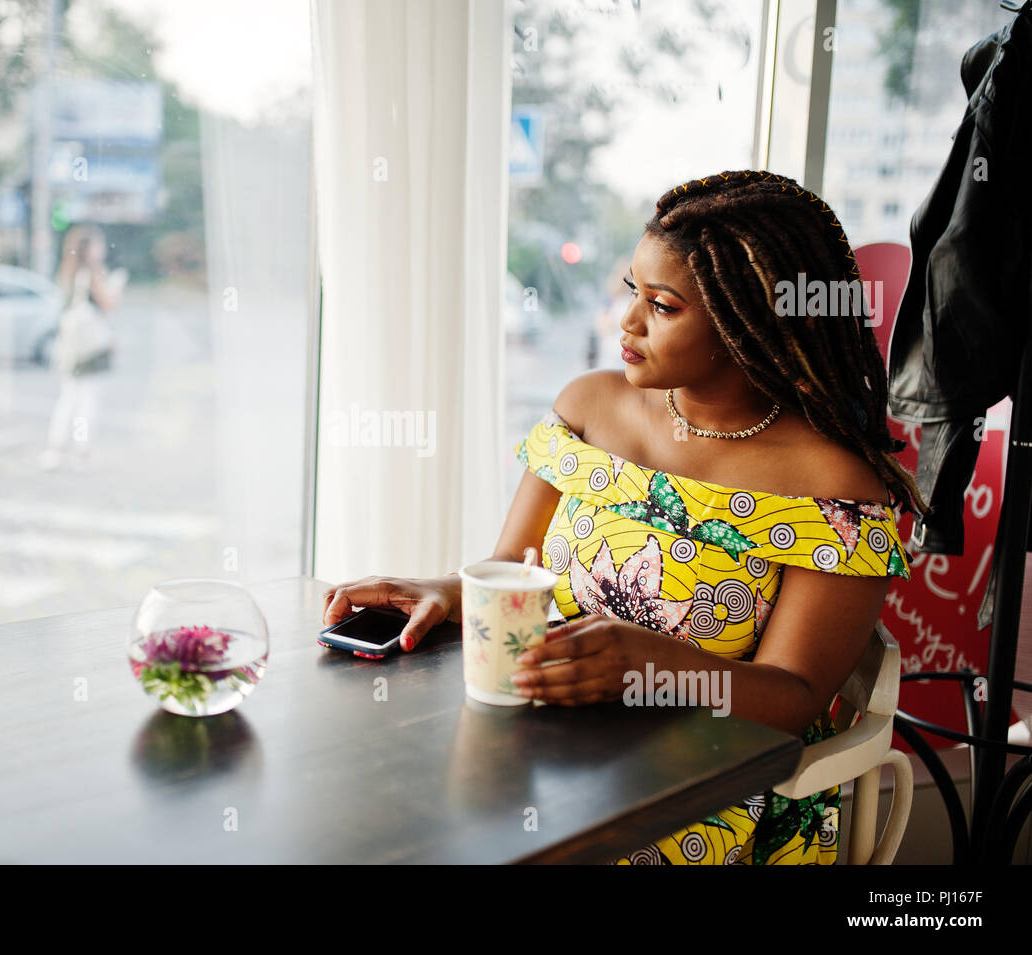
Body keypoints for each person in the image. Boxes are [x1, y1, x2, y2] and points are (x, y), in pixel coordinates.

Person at [321, 169, 930, 865]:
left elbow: (792, 699)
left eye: (663, 306)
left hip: (708, 785)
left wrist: (652, 665)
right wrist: (442, 591)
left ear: (751, 321)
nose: (629, 321)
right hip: (550, 741)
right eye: (630, 292)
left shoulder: (834, 486)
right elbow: (515, 573)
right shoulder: (589, 408)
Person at [39, 224, 125, 471]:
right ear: (89, 249)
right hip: (90, 348)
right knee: (88, 399)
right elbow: (109, 305)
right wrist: (117, 287)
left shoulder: (68, 272)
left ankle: (54, 449)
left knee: (68, 397)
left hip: (70, 346)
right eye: (97, 244)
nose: (102, 249)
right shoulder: (93, 273)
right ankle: (81, 452)